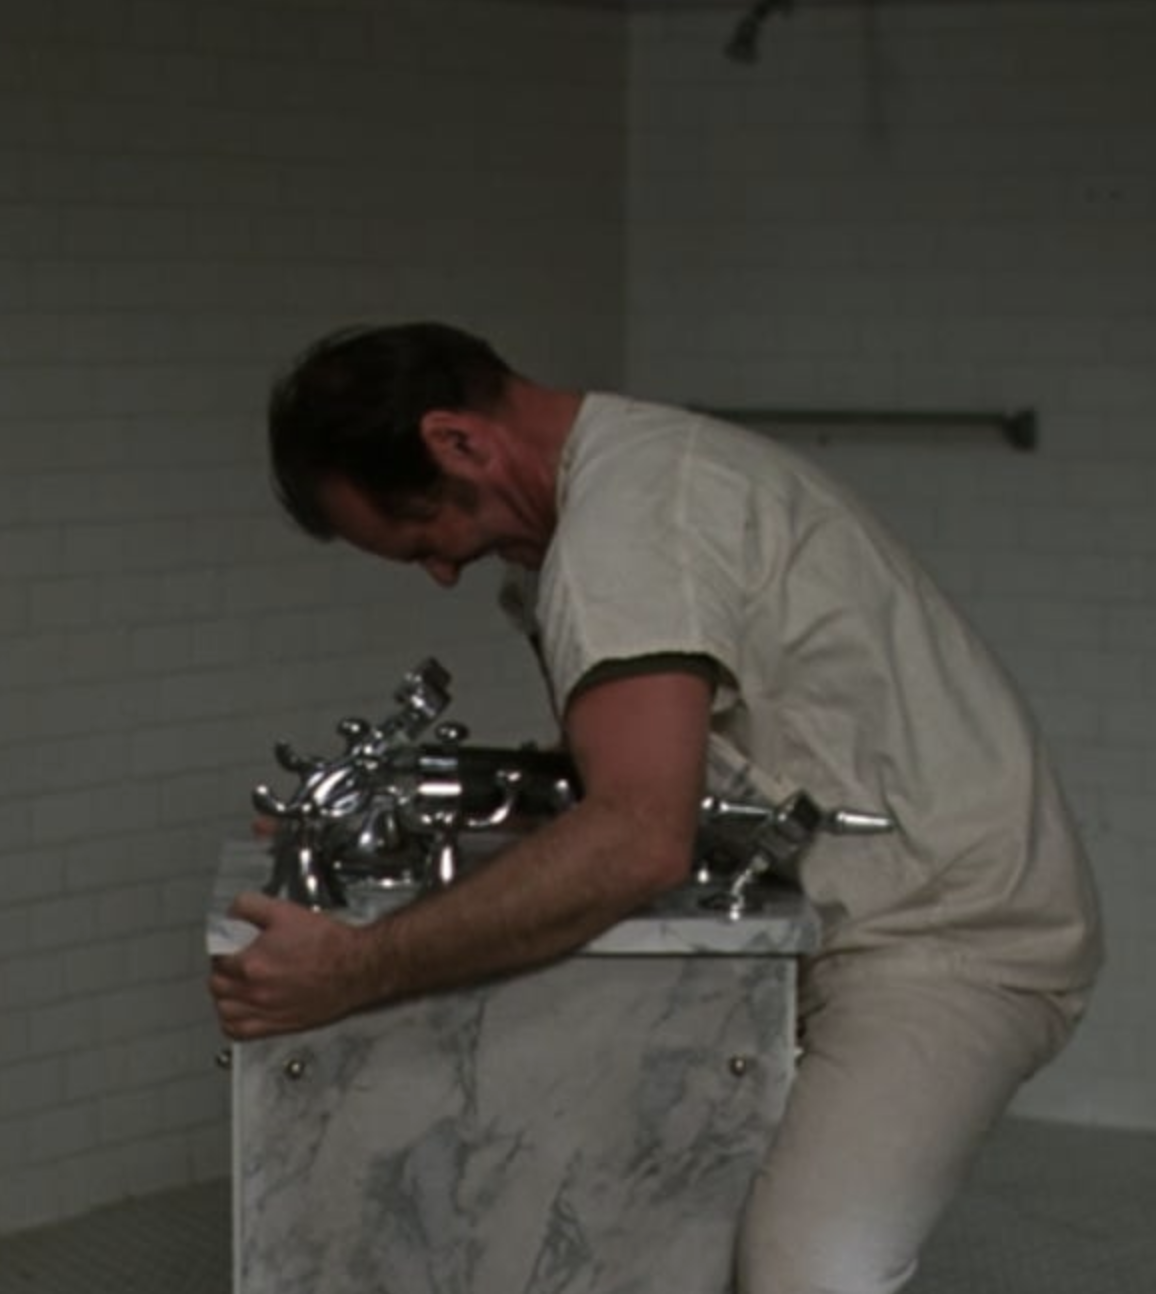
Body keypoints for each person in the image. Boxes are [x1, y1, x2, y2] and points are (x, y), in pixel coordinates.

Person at [209, 321, 1102, 1294]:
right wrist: (396, 805)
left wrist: (353, 966)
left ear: (459, 442)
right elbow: (620, 772)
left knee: (810, 1271)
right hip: (829, 914)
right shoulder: (623, 481)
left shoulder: (628, 527)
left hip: (945, 933)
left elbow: (635, 838)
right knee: (650, 1224)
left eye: (427, 536)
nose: (441, 571)